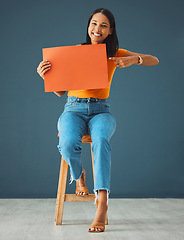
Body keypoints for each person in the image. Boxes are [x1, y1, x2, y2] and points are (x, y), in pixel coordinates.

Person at [37, 7, 159, 232]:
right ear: (88, 26)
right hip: (73, 109)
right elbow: (60, 91)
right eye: (94, 23)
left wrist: (135, 59)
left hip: (101, 111)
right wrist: (47, 75)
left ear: (110, 30)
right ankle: (79, 175)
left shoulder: (115, 53)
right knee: (66, 142)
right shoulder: (75, 52)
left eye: (103, 25)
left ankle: (101, 203)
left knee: (101, 140)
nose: (97, 29)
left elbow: (155, 60)